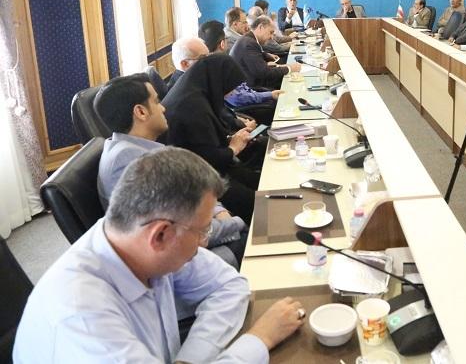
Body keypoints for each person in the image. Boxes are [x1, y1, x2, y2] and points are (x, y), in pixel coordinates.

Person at [13, 148, 304, 363]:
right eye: (202, 230)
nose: (204, 241)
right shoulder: (82, 318)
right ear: (161, 234)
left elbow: (230, 284)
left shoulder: (134, 240)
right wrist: (260, 339)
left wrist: (189, 359)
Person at [93, 74, 247, 267]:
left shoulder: (135, 148)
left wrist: (219, 211)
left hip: (195, 236)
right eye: (157, 102)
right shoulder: (129, 162)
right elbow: (176, 233)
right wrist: (236, 223)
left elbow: (192, 190)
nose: (163, 108)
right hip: (181, 264)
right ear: (141, 112)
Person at [162, 54, 263, 193]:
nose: (231, 91)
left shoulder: (193, 90)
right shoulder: (193, 107)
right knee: (258, 196)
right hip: (196, 179)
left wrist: (232, 139)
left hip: (210, 166)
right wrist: (233, 148)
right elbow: (207, 157)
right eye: (230, 85)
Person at [201, 22, 283, 126]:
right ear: (222, 44)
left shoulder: (212, 65)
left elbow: (241, 89)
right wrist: (269, 95)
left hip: (246, 101)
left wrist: (269, 94)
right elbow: (238, 98)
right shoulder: (219, 66)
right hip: (245, 110)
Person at [229, 15, 301, 90]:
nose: (271, 37)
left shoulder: (249, 40)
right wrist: (289, 68)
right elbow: (264, 73)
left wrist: (267, 62)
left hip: (252, 82)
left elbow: (259, 67)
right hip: (251, 88)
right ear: (261, 27)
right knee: (292, 84)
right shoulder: (249, 44)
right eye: (271, 32)